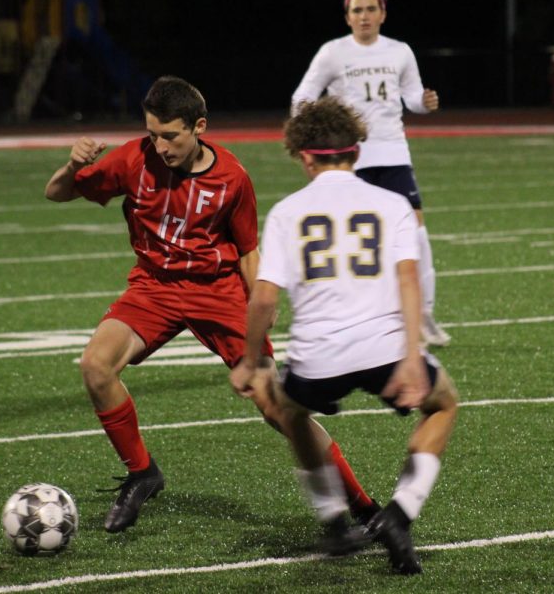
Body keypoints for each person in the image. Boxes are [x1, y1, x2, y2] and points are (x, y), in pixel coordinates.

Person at [44, 75, 376, 534]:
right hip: (154, 287)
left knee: (277, 407)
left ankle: (363, 505)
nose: (160, 146)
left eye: (171, 135)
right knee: (96, 365)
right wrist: (71, 165)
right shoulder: (132, 159)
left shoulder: (232, 177)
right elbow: (58, 192)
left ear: (199, 126)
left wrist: (261, 295)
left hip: (216, 292)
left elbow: (245, 248)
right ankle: (143, 473)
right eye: (153, 134)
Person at [230, 97, 458, 574]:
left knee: (289, 410)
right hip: (387, 350)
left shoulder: (289, 212)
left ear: (305, 156)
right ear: (356, 151)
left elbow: (265, 301)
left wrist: (251, 362)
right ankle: (399, 514)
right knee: (443, 404)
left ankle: (334, 519)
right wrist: (414, 355)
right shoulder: (392, 204)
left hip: (318, 360)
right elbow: (410, 282)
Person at [291, 0, 451, 348]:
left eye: (370, 9)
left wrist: (423, 104)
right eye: (357, 10)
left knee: (417, 236)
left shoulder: (400, 51)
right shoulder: (333, 52)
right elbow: (303, 96)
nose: (364, 16)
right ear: (347, 17)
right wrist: (317, 131)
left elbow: (409, 98)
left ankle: (423, 316)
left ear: (383, 14)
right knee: (354, 240)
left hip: (393, 153)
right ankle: (355, 318)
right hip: (351, 159)